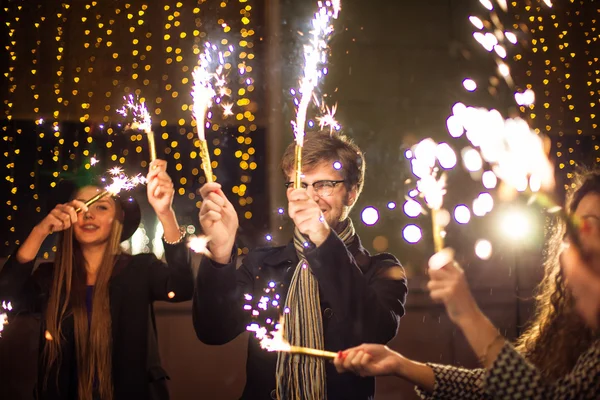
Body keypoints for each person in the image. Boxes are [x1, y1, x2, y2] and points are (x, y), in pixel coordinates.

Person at [334, 170, 600, 399]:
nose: (577, 238)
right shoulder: (569, 325)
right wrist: (401, 365)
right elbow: (494, 387)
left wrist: (467, 312)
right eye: (575, 226)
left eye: (592, 226)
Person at [193, 131, 408, 399]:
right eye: (300, 185)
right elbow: (214, 330)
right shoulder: (263, 264)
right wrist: (221, 251)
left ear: (351, 193)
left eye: (324, 185)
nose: (310, 197)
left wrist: (323, 239)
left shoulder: (379, 268)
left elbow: (374, 331)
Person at [0, 160, 194, 400]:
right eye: (78, 208)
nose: (88, 214)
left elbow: (182, 287)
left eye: (101, 207)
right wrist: (40, 231)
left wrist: (165, 213)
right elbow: (5, 294)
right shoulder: (50, 278)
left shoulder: (140, 269)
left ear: (118, 220)